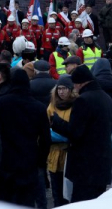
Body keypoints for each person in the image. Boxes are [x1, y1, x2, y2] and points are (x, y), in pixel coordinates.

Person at [50, 65, 112, 202]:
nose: (74, 88)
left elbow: (75, 132)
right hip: (103, 162)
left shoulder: (83, 100)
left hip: (85, 165)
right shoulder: (106, 98)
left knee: (81, 201)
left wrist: (56, 122)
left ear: (80, 83)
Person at [0, 70, 51, 207]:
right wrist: (40, 161)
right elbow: (45, 138)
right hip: (28, 162)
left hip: (4, 162)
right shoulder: (38, 107)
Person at [46, 76, 75, 207]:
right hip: (54, 154)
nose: (61, 92)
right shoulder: (52, 106)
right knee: (56, 192)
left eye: (64, 89)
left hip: (69, 154)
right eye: (59, 89)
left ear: (71, 90)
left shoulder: (76, 105)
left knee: (69, 193)